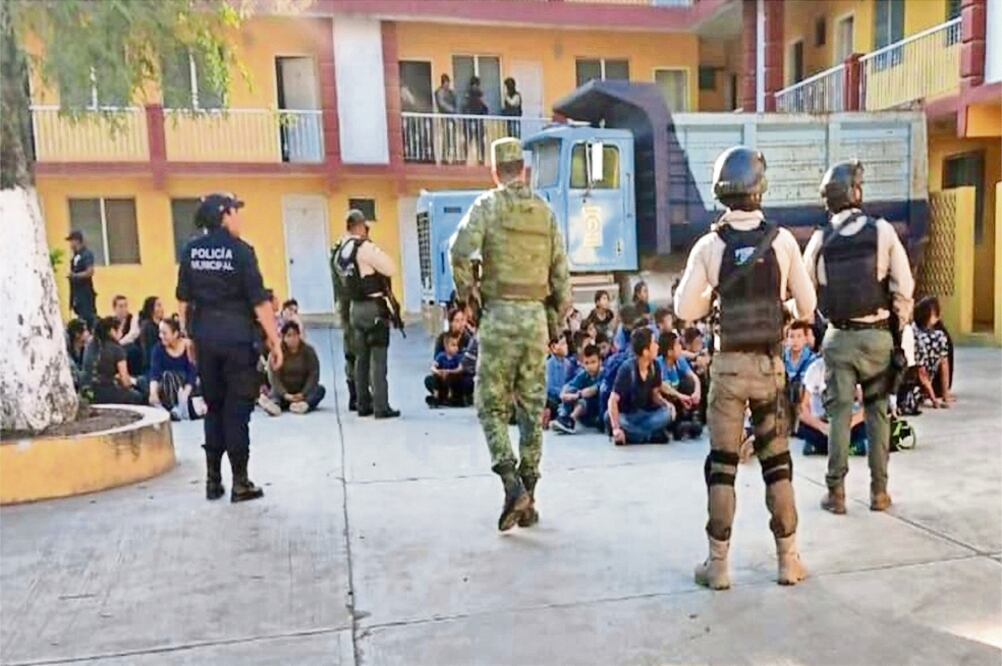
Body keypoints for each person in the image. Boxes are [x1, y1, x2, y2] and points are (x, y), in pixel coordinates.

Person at [675, 146, 816, 590]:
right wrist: (780, 307)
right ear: (760, 188)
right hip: (771, 367)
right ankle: (788, 561)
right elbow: (809, 306)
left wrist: (716, 299)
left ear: (721, 190)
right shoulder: (783, 241)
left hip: (729, 368)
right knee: (778, 465)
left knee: (722, 466)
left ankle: (717, 566)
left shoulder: (710, 245)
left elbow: (684, 309)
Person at [450, 136, 571, 531]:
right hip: (535, 319)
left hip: (499, 316)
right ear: (525, 169)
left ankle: (511, 483)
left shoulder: (488, 205)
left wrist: (469, 297)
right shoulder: (545, 211)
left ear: (494, 171)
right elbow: (561, 277)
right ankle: (530, 496)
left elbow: (459, 250)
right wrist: (553, 324)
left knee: (490, 406)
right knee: (533, 409)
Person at [804, 159, 915, 515]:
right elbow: (905, 287)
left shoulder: (820, 239)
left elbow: (805, 294)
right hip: (878, 335)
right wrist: (897, 328)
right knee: (877, 413)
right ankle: (879, 493)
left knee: (838, 415)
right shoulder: (881, 231)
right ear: (856, 192)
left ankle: (835, 493)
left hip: (838, 337)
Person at [176, 192, 283, 503]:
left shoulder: (190, 251)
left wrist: (189, 337)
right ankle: (240, 482)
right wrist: (274, 341)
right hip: (237, 340)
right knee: (237, 412)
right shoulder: (242, 251)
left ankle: (212, 481)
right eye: (237, 212)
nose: (240, 218)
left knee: (214, 408)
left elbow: (183, 299)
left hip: (205, 338)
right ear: (224, 215)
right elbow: (260, 302)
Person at [333, 209, 400, 419]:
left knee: (361, 358)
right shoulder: (364, 248)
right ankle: (381, 406)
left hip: (354, 308)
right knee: (378, 358)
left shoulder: (340, 251)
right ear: (360, 226)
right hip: (373, 307)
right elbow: (391, 268)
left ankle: (363, 403)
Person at [607, 328, 673, 445]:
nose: (657, 346)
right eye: (654, 343)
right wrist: (616, 428)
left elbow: (654, 395)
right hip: (627, 415)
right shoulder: (627, 369)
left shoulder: (655, 366)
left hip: (645, 414)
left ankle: (634, 436)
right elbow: (613, 400)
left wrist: (666, 404)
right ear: (645, 351)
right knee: (609, 417)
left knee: (667, 414)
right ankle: (649, 435)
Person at [796, 355, 867, 456]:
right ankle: (845, 448)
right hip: (822, 423)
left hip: (847, 423)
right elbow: (801, 408)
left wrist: (850, 423)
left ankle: (824, 449)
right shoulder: (815, 368)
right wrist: (821, 426)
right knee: (801, 425)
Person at [149, 318, 203, 421]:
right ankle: (173, 409)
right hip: (168, 388)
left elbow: (192, 372)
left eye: (164, 333)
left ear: (175, 334)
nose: (161, 336)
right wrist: (153, 393)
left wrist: (185, 394)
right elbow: (154, 373)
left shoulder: (188, 346)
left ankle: (183, 408)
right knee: (168, 376)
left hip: (187, 387)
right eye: (160, 332)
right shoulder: (158, 349)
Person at [266, 321, 326, 414]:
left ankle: (304, 405)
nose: (292, 339)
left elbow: (314, 374)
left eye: (295, 335)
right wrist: (285, 394)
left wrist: (303, 394)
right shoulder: (276, 353)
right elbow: (274, 378)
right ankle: (275, 406)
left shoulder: (309, 351)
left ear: (299, 335)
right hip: (284, 392)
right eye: (289, 336)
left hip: (302, 392)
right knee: (274, 392)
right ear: (283, 337)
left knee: (320, 390)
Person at [85, 316, 145, 405]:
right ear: (112, 331)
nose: (121, 333)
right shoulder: (117, 349)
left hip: (88, 392)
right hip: (106, 393)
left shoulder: (90, 345)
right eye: (120, 330)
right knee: (138, 395)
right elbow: (125, 382)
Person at [657, 331, 703, 439]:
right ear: (669, 352)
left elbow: (694, 377)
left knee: (689, 383)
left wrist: (697, 391)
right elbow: (663, 386)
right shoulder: (659, 363)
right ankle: (674, 425)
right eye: (677, 345)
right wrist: (680, 396)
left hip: (679, 402)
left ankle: (692, 418)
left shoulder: (679, 361)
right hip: (665, 403)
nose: (680, 347)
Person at [331, 234, 358, 412]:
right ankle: (357, 394)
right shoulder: (348, 255)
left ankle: (355, 395)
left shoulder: (336, 256)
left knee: (350, 353)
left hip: (344, 308)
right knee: (356, 354)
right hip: (351, 307)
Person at [912, 296, 954, 408]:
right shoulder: (938, 337)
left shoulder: (913, 332)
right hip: (916, 385)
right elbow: (923, 372)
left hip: (918, 383)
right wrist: (936, 399)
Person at [552, 343, 603, 434]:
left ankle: (570, 420)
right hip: (586, 412)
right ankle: (563, 417)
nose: (590, 366)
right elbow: (568, 386)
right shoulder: (584, 374)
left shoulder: (604, 373)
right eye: (587, 363)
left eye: (593, 362)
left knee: (582, 399)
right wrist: (564, 395)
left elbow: (592, 390)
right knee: (571, 391)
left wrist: (576, 395)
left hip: (598, 410)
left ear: (600, 362)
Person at [424, 334, 468, 407]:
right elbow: (433, 367)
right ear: (446, 347)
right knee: (430, 379)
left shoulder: (458, 357)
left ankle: (451, 397)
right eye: (453, 345)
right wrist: (438, 372)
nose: (456, 348)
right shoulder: (441, 356)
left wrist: (449, 372)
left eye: (457, 345)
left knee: (454, 379)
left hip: (453, 379)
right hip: (442, 380)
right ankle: (436, 397)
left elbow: (460, 369)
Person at [66, 230, 97, 328]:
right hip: (77, 294)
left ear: (77, 241)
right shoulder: (75, 256)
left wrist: (75, 276)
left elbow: (90, 272)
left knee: (88, 319)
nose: (70, 244)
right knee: (80, 320)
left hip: (85, 294)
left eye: (71, 241)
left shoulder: (86, 254)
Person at [544, 335, 573, 422]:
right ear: (554, 347)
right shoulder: (549, 364)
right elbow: (549, 387)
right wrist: (562, 393)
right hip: (554, 397)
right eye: (563, 344)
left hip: (565, 397)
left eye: (566, 344)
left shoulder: (569, 364)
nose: (566, 347)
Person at [462, 75, 488, 164]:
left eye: (476, 85)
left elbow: (484, 108)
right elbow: (465, 107)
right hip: (470, 120)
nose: (475, 87)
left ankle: (482, 159)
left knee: (480, 140)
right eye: (474, 85)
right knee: (468, 139)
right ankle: (465, 158)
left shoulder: (479, 95)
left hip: (478, 120)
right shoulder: (469, 95)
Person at [434, 73, 458, 164]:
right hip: (444, 117)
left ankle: (453, 157)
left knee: (453, 137)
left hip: (452, 117)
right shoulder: (439, 92)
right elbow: (441, 104)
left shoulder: (451, 92)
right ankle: (445, 157)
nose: (448, 85)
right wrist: (452, 110)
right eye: (446, 83)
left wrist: (455, 112)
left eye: (448, 82)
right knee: (446, 137)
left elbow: (455, 102)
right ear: (443, 83)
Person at [137, 296, 165, 372]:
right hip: (152, 365)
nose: (162, 309)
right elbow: (149, 349)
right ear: (151, 308)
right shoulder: (147, 326)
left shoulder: (162, 325)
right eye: (158, 305)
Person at [65, 318, 91, 389]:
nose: (88, 333)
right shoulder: (67, 355)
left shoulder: (85, 348)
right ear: (77, 334)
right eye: (85, 330)